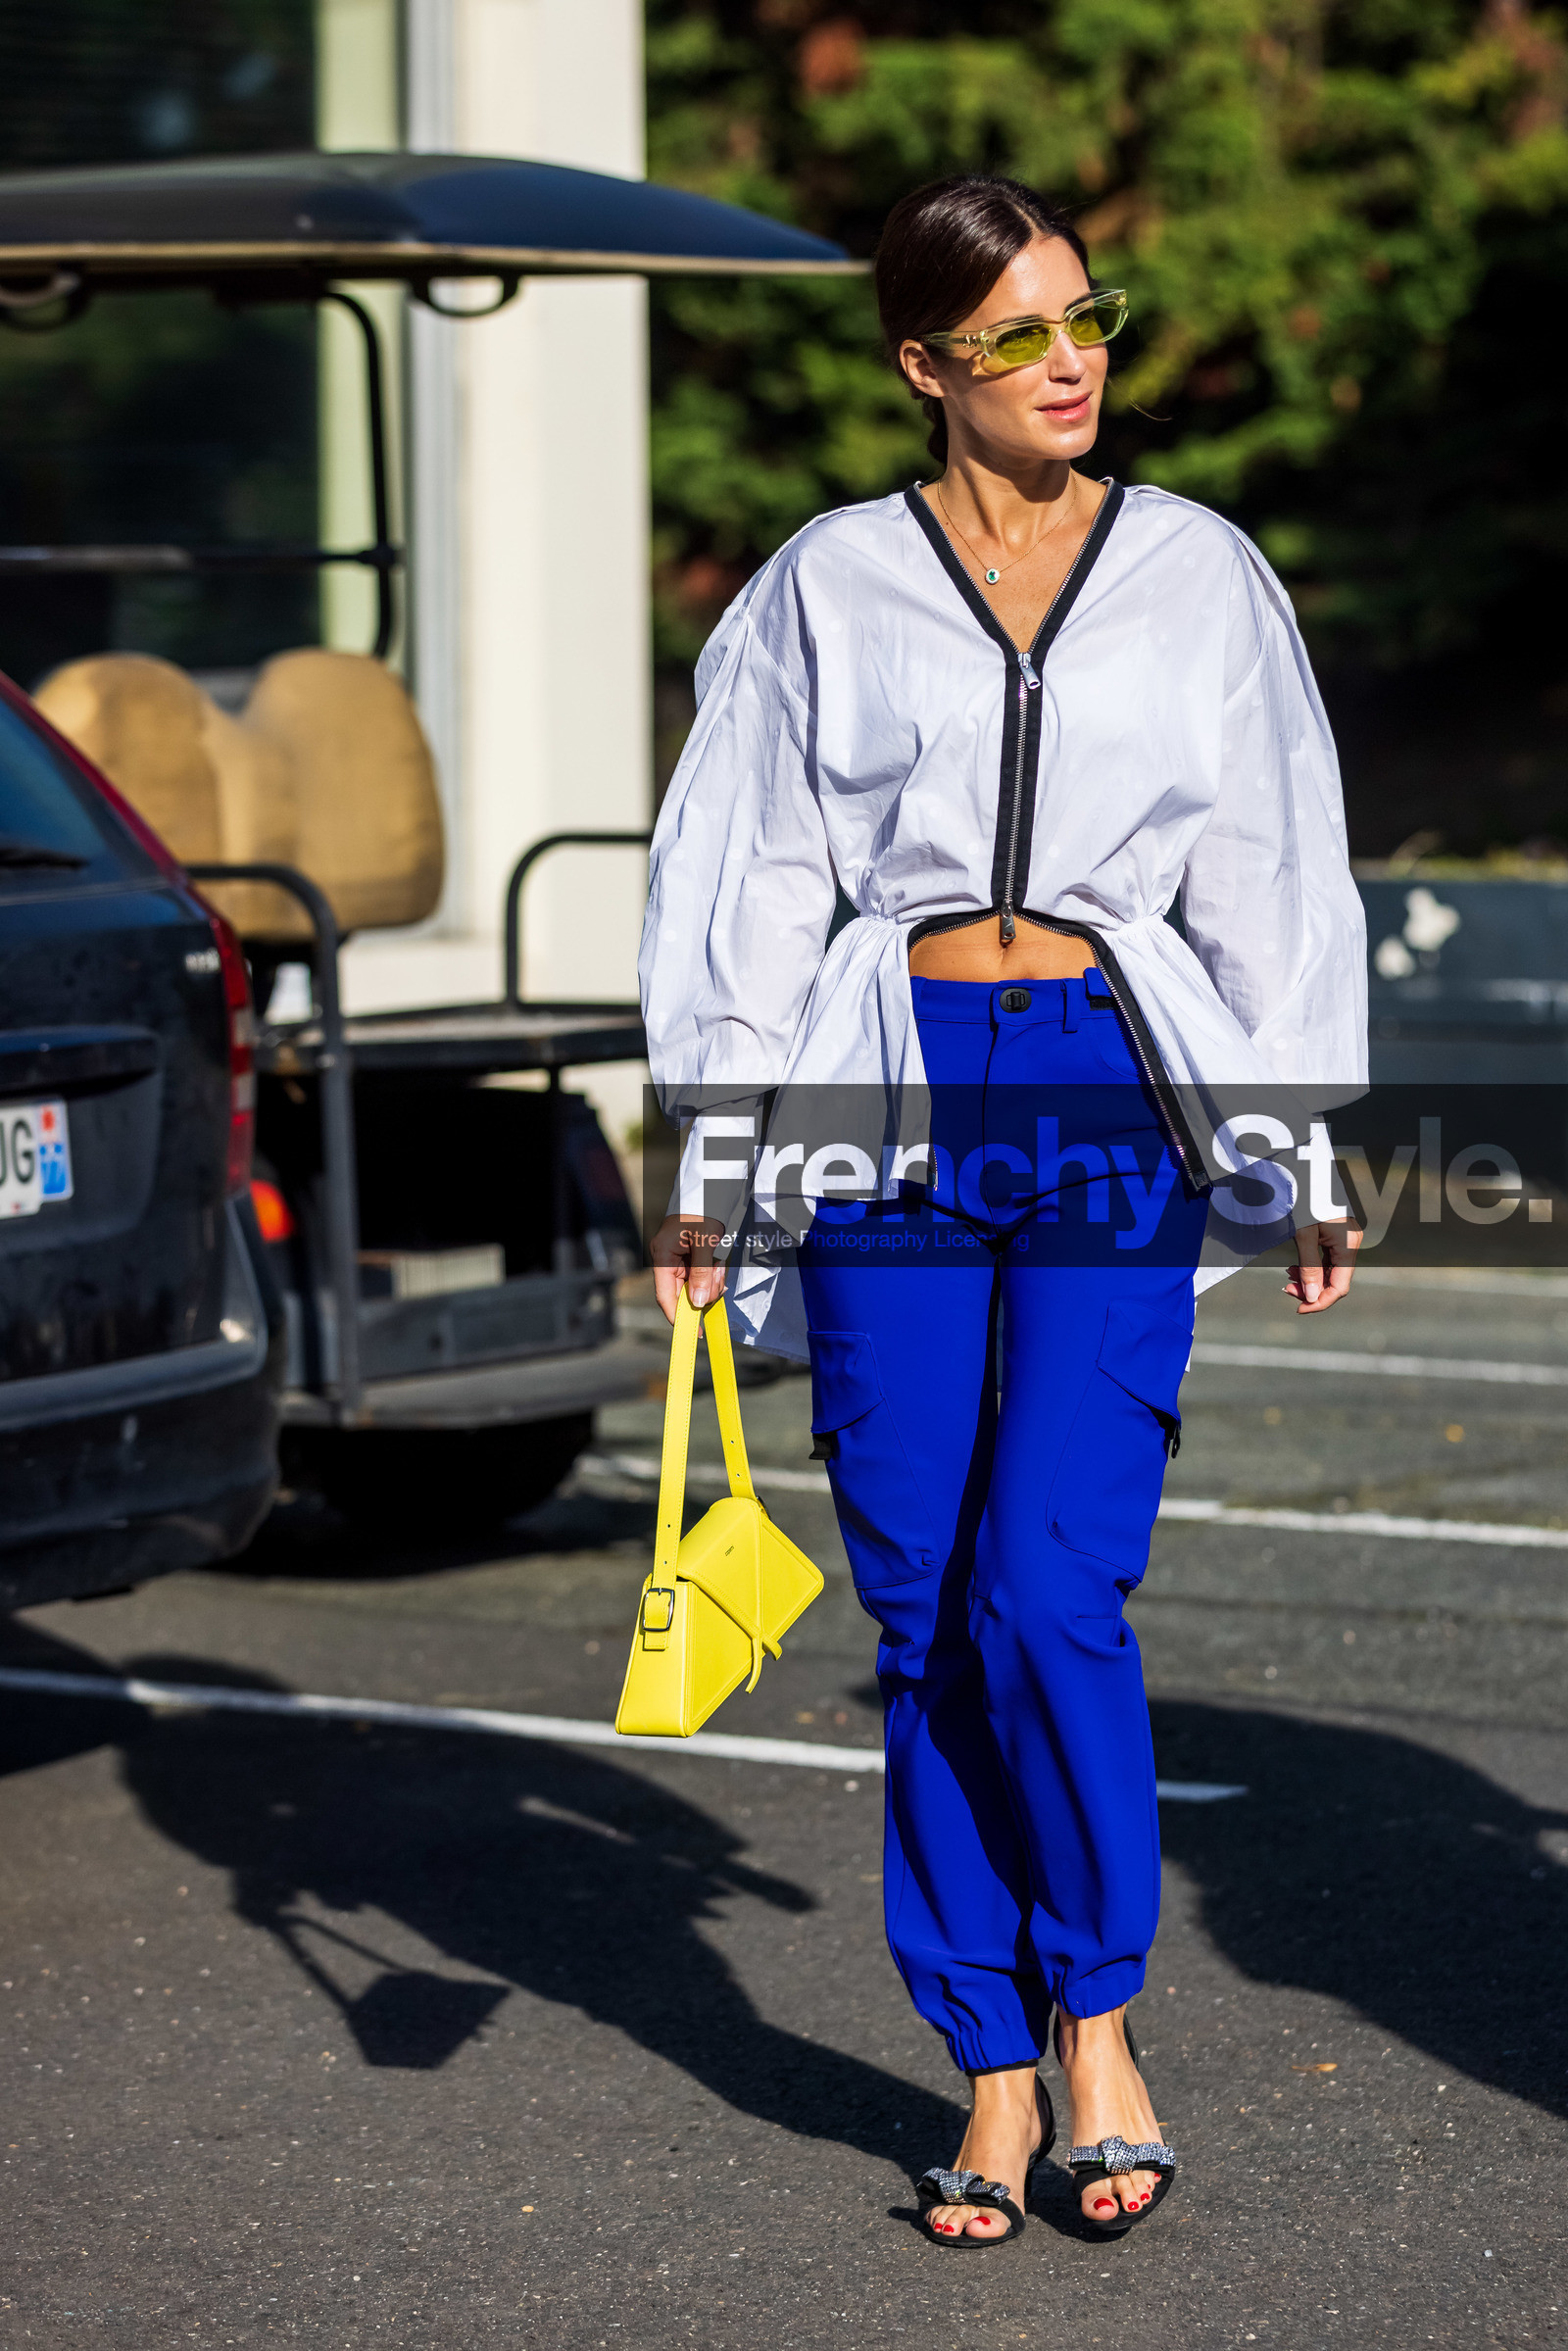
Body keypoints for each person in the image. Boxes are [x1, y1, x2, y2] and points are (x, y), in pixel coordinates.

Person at [640, 173, 1366, 2245]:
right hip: (880, 1092)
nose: (1069, 364)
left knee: (1048, 1582)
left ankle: (1097, 2026)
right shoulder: (820, 589)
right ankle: (978, 2061)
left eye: (1085, 318)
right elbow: (747, 882)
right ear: (921, 369)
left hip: (1099, 1090)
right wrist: (708, 1157)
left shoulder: (1200, 577)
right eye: (1015, 339)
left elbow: (1271, 858)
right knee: (917, 1605)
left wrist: (1301, 1134)